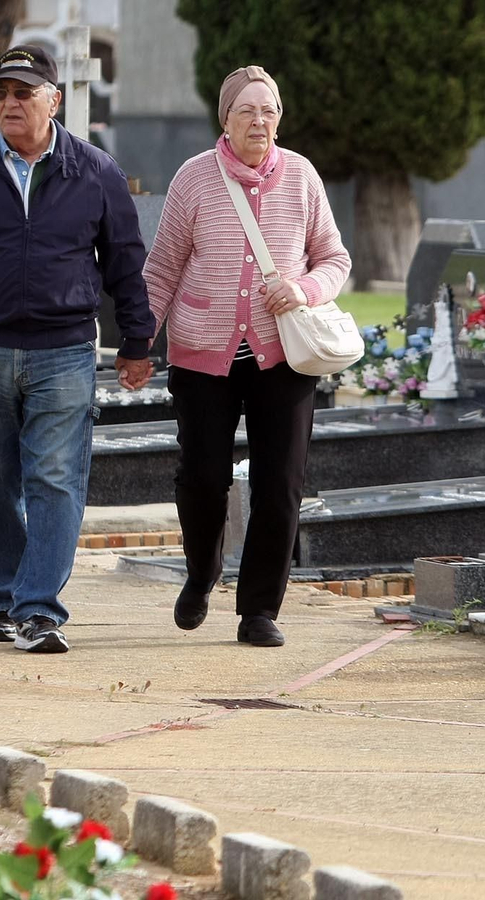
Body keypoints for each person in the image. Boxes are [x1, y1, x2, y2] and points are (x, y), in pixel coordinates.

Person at [0, 44, 155, 654]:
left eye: (24, 92)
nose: (10, 103)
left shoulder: (95, 171)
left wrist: (136, 341)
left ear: (54, 99)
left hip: (64, 351)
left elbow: (127, 263)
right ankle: (8, 600)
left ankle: (38, 609)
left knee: (54, 478)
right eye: (1, 93)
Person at [142, 65, 351, 648]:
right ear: (225, 118)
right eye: (248, 111)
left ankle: (259, 608)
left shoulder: (303, 177)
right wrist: (140, 344)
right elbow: (161, 268)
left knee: (280, 481)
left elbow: (334, 258)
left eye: (270, 110)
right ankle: (202, 571)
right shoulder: (194, 179)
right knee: (203, 478)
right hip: (202, 354)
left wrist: (303, 288)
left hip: (282, 355)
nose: (260, 121)